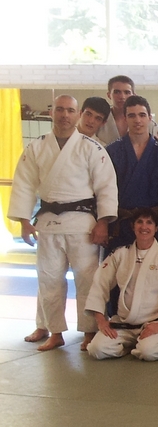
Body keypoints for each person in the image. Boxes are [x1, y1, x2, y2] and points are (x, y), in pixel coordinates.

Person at [9, 94, 118, 352]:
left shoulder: (93, 148)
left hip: (83, 224)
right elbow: (23, 184)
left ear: (77, 114)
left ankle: (89, 331)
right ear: (51, 112)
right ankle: (55, 331)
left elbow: (106, 188)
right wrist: (25, 221)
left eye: (70, 110)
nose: (65, 115)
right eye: (60, 109)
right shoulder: (36, 147)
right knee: (49, 279)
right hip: (47, 223)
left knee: (87, 280)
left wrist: (103, 223)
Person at [83, 207, 158, 361]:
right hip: (124, 324)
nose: (144, 227)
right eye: (140, 222)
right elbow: (100, 284)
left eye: (149, 223)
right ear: (133, 226)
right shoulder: (120, 253)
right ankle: (128, 345)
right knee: (97, 349)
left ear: (156, 228)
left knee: (149, 353)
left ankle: (142, 344)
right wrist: (101, 320)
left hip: (155, 323)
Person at [107, 95, 158, 250]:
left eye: (142, 115)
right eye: (132, 115)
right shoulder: (112, 151)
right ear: (125, 118)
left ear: (150, 118)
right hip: (121, 224)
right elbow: (103, 191)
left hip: (153, 226)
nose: (137, 120)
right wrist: (103, 222)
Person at [95, 75, 135, 145]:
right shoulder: (98, 119)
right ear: (109, 95)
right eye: (117, 92)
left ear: (133, 95)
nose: (122, 97)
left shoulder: (146, 122)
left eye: (127, 92)